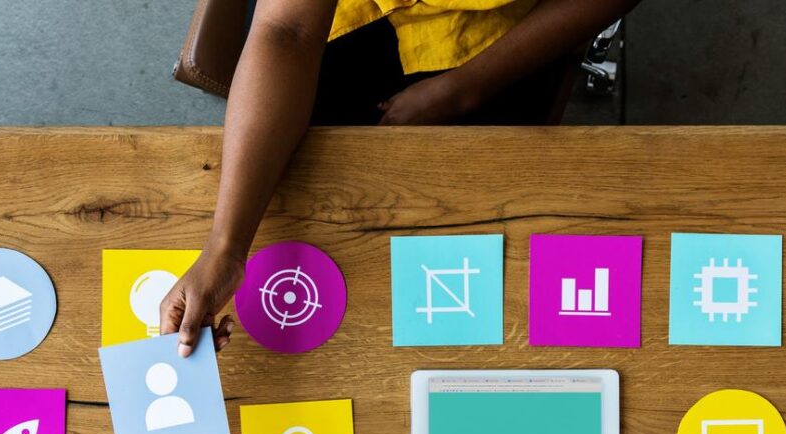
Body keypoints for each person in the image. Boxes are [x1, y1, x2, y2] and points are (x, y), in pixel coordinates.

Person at [160, 0, 639, 356]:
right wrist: (226, 248)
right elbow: (288, 30)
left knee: (483, 269)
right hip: (348, 15)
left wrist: (463, 89)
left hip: (500, 30)